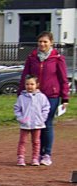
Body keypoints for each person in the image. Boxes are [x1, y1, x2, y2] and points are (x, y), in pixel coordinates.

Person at [19, 31, 69, 166]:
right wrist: (20, 93)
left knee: (46, 123)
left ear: (51, 43)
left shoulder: (57, 58)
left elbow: (63, 79)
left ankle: (46, 153)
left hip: (51, 95)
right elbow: (25, 75)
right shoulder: (32, 57)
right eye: (40, 41)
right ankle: (36, 154)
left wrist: (65, 98)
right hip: (33, 96)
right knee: (34, 125)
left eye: (45, 42)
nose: (42, 44)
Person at [14, 75, 50, 166]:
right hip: (25, 124)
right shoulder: (21, 97)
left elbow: (46, 108)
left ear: (37, 85)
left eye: (32, 84)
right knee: (22, 141)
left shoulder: (42, 97)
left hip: (37, 124)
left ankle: (35, 158)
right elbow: (17, 109)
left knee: (36, 142)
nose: (29, 86)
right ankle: (21, 158)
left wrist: (42, 118)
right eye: (27, 84)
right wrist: (21, 119)